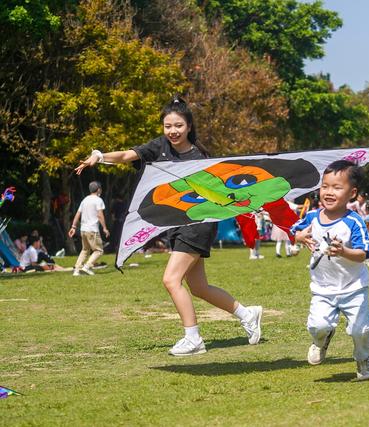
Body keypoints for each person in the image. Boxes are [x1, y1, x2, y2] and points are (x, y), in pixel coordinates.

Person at [74, 96, 263, 356]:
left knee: (171, 279)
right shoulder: (159, 146)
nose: (173, 131)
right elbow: (128, 155)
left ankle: (193, 338)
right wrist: (99, 155)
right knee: (198, 287)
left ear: (189, 126)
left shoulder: (200, 157)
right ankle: (247, 313)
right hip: (176, 224)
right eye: (167, 126)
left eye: (178, 126)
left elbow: (219, 193)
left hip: (197, 223)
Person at [292, 160, 369, 381]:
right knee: (317, 325)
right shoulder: (311, 217)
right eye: (325, 186)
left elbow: (365, 253)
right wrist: (299, 237)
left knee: (361, 330)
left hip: (354, 288)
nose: (329, 192)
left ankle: (363, 359)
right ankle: (322, 339)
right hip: (322, 288)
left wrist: (343, 251)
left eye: (337, 187)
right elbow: (295, 231)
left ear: (352, 193)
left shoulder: (354, 222)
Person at [68, 181, 109, 276]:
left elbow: (78, 214)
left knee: (85, 250)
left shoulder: (85, 200)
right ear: (98, 189)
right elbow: (100, 215)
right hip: (92, 230)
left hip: (83, 229)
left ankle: (77, 270)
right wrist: (104, 228)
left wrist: (73, 227)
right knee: (99, 250)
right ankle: (87, 266)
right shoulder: (98, 200)